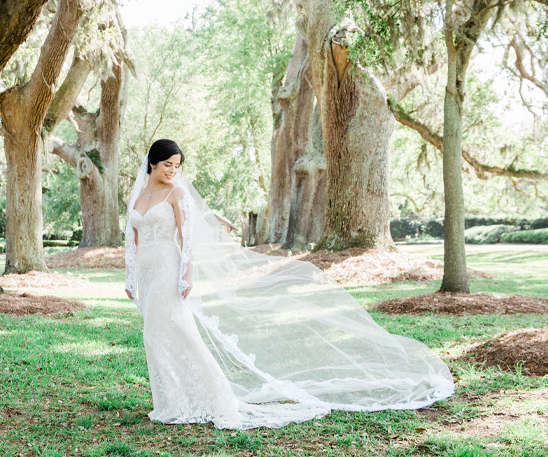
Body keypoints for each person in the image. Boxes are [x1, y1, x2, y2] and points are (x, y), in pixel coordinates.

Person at [125, 139, 453, 429]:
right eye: (168, 165)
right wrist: (130, 278)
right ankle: (169, 402)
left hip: (169, 269)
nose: (173, 170)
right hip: (147, 273)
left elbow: (187, 239)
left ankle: (205, 398)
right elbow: (132, 238)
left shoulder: (177, 192)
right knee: (154, 337)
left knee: (172, 331)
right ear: (152, 162)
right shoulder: (140, 193)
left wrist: (186, 275)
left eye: (178, 166)